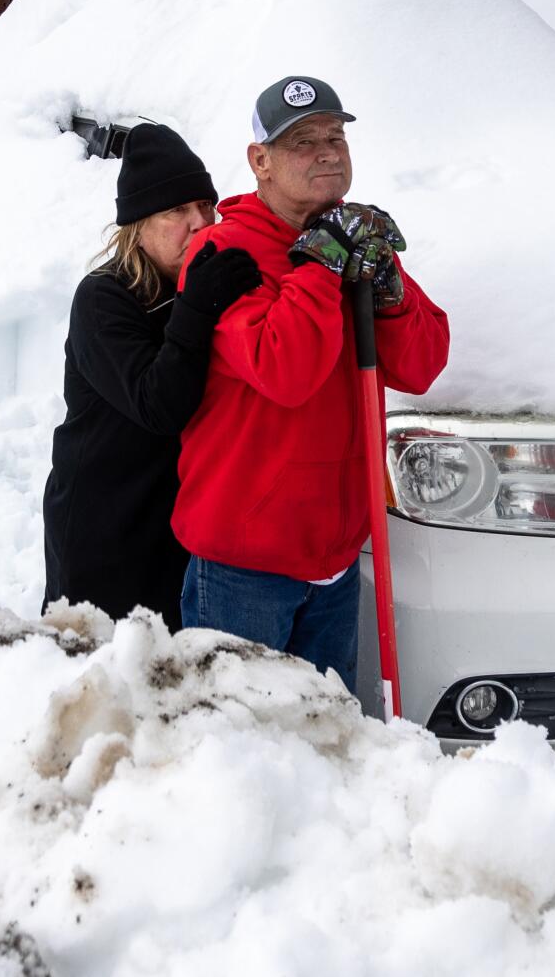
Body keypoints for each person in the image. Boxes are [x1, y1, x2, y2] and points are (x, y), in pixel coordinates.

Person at [173, 76, 450, 691]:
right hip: (244, 563)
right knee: (236, 746)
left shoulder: (353, 238)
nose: (327, 151)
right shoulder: (223, 253)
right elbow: (284, 370)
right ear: (260, 161)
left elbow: (422, 365)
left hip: (335, 556)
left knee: (329, 750)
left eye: (335, 136)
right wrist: (321, 266)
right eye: (302, 141)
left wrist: (389, 293)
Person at [43, 124, 261, 631]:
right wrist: (195, 307)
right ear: (138, 225)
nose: (199, 223)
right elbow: (157, 405)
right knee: (103, 680)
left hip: (179, 523)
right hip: (105, 524)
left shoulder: (205, 283)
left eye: (205, 206)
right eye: (176, 212)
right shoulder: (104, 297)